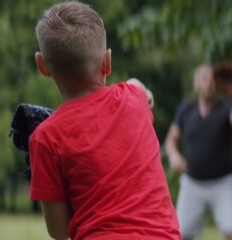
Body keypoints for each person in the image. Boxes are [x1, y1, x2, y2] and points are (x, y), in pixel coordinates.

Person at [28, 2, 180, 240]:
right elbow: (137, 86)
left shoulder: (46, 137)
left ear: (42, 65)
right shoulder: (134, 99)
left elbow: (58, 231)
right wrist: (146, 95)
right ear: (107, 62)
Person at [164, 63, 232, 240]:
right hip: (193, 183)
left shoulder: (226, 109)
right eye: (204, 78)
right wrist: (174, 156)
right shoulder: (186, 109)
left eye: (212, 78)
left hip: (224, 183)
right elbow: (171, 140)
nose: (208, 82)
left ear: (217, 83)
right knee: (178, 236)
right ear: (196, 84)